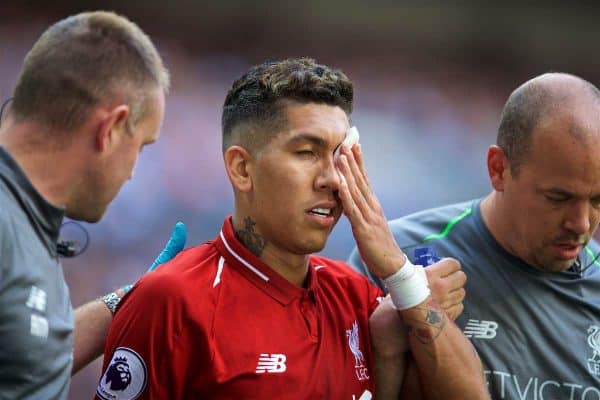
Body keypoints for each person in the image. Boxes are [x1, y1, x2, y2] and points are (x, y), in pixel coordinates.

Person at [96, 58, 488, 400]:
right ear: (242, 169)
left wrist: (402, 279)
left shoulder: (356, 297)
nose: (334, 179)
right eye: (306, 153)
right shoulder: (172, 300)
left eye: (340, 156)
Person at [348, 72, 600, 398]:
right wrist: (400, 316)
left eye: (597, 200)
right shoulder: (397, 258)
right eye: (558, 198)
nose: (581, 224)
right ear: (498, 169)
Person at [0, 11, 184, 400]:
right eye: (142, 146)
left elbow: (25, 365)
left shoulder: (24, 217)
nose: (134, 172)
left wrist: (132, 299)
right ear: (111, 129)